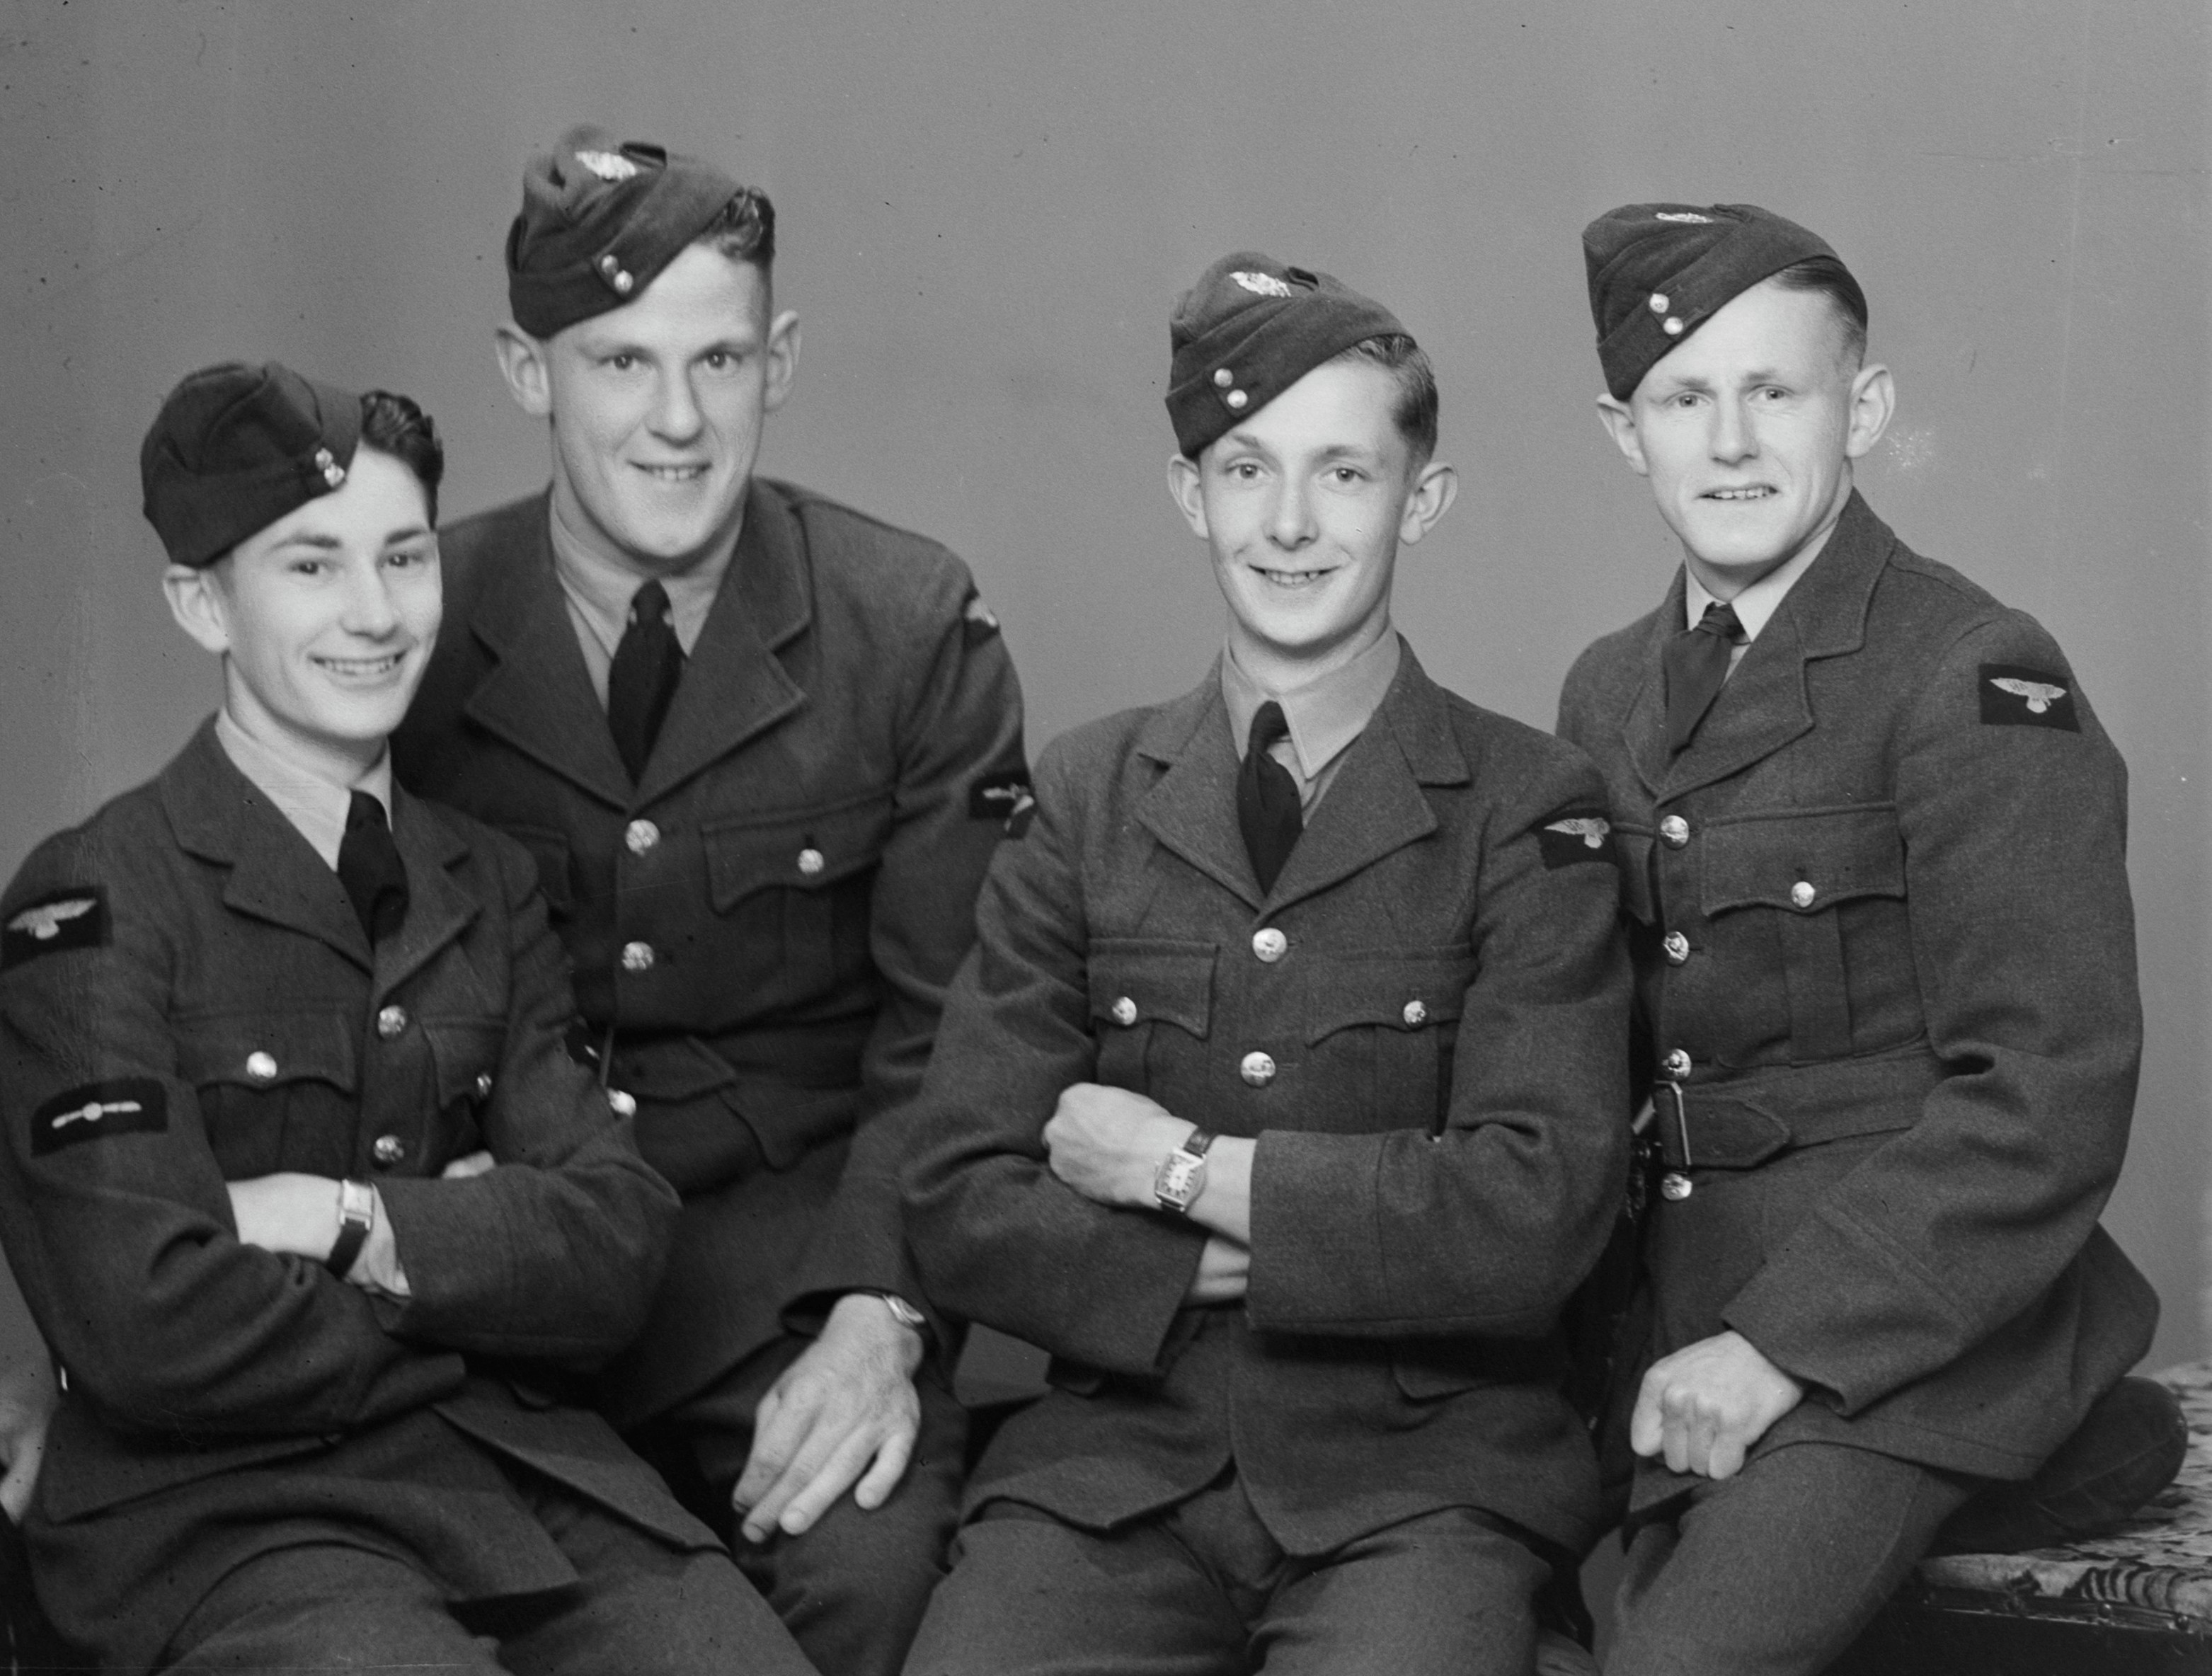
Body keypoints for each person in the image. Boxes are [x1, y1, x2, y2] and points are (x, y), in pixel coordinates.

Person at [0, 361, 815, 1674]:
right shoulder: (97, 898)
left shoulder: (484, 882)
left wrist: (343, 1221)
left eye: (404, 557)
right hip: (231, 1519)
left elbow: (614, 1249)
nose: (374, 615)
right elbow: (143, 1326)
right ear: (199, 603)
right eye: (311, 567)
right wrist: (467, 1268)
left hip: (509, 1478)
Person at [896, 253, 1630, 1676]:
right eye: (1246, 470)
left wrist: (1176, 1171)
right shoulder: (1090, 790)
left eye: (1344, 476)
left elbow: (1533, 1208)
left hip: (1422, 1487)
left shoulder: (1530, 802)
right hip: (1109, 1476)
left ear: (1422, 500)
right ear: (1191, 495)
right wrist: (1296, 1249)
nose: (1289, 524)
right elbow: (958, 1196)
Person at [392, 127, 1027, 1676]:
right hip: (501, 1279)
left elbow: (958, 1033)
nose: (676, 421)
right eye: (618, 363)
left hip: (790, 1279)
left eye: (720, 360)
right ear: (526, 369)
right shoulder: (400, 620)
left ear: (780, 359)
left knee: (873, 1600)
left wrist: (883, 1314)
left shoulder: (904, 621)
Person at [1556, 202, 2165, 1675]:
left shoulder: (1971, 670)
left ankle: (2039, 1414)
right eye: (1682, 398)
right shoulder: (1607, 688)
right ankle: (2072, 1443)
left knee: (1676, 1664)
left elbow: (2046, 1091)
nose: (1732, 440)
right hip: (1667, 1310)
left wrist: (1780, 1346)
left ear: (1867, 410)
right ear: (1621, 430)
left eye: (1778, 390)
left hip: (1886, 1328)